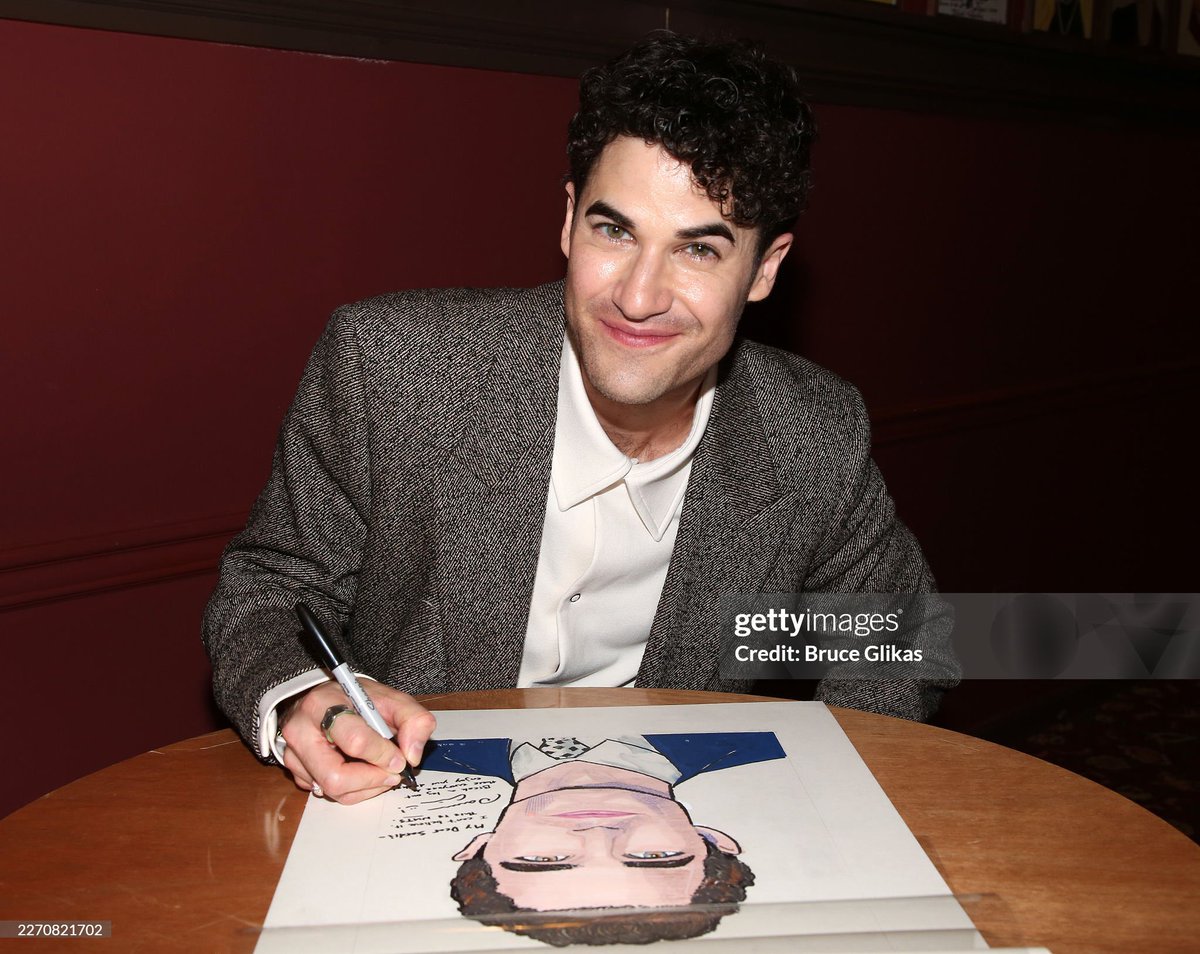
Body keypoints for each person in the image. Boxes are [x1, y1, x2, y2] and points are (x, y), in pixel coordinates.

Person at [202, 31, 958, 807]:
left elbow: (901, 636)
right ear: (568, 220)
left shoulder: (813, 433)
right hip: (408, 811)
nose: (637, 296)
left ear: (764, 270)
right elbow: (268, 587)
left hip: (672, 826)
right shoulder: (391, 367)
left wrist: (826, 805)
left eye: (698, 252)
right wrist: (305, 697)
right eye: (614, 230)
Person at [430, 732, 784, 944]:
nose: (599, 834)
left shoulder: (414, 753)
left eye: (545, 860)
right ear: (709, 839)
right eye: (653, 855)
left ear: (481, 845)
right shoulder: (762, 742)